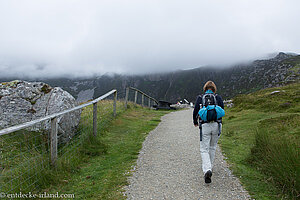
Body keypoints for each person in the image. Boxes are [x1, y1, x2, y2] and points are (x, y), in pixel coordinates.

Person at [193, 81, 224, 184]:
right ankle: (210, 167)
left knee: (204, 149)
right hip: (216, 125)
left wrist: (195, 122)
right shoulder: (218, 97)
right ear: (214, 88)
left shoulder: (200, 98)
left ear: (205, 88)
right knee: (212, 147)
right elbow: (222, 110)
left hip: (205, 125)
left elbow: (196, 111)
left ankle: (207, 169)